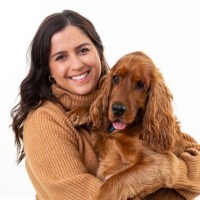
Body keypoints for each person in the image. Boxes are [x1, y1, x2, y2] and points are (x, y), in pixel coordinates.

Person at [10, 9, 200, 200]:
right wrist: (164, 172)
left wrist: (168, 169)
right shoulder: (44, 121)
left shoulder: (131, 115)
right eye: (61, 57)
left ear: (99, 53)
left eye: (83, 50)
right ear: (48, 68)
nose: (76, 65)